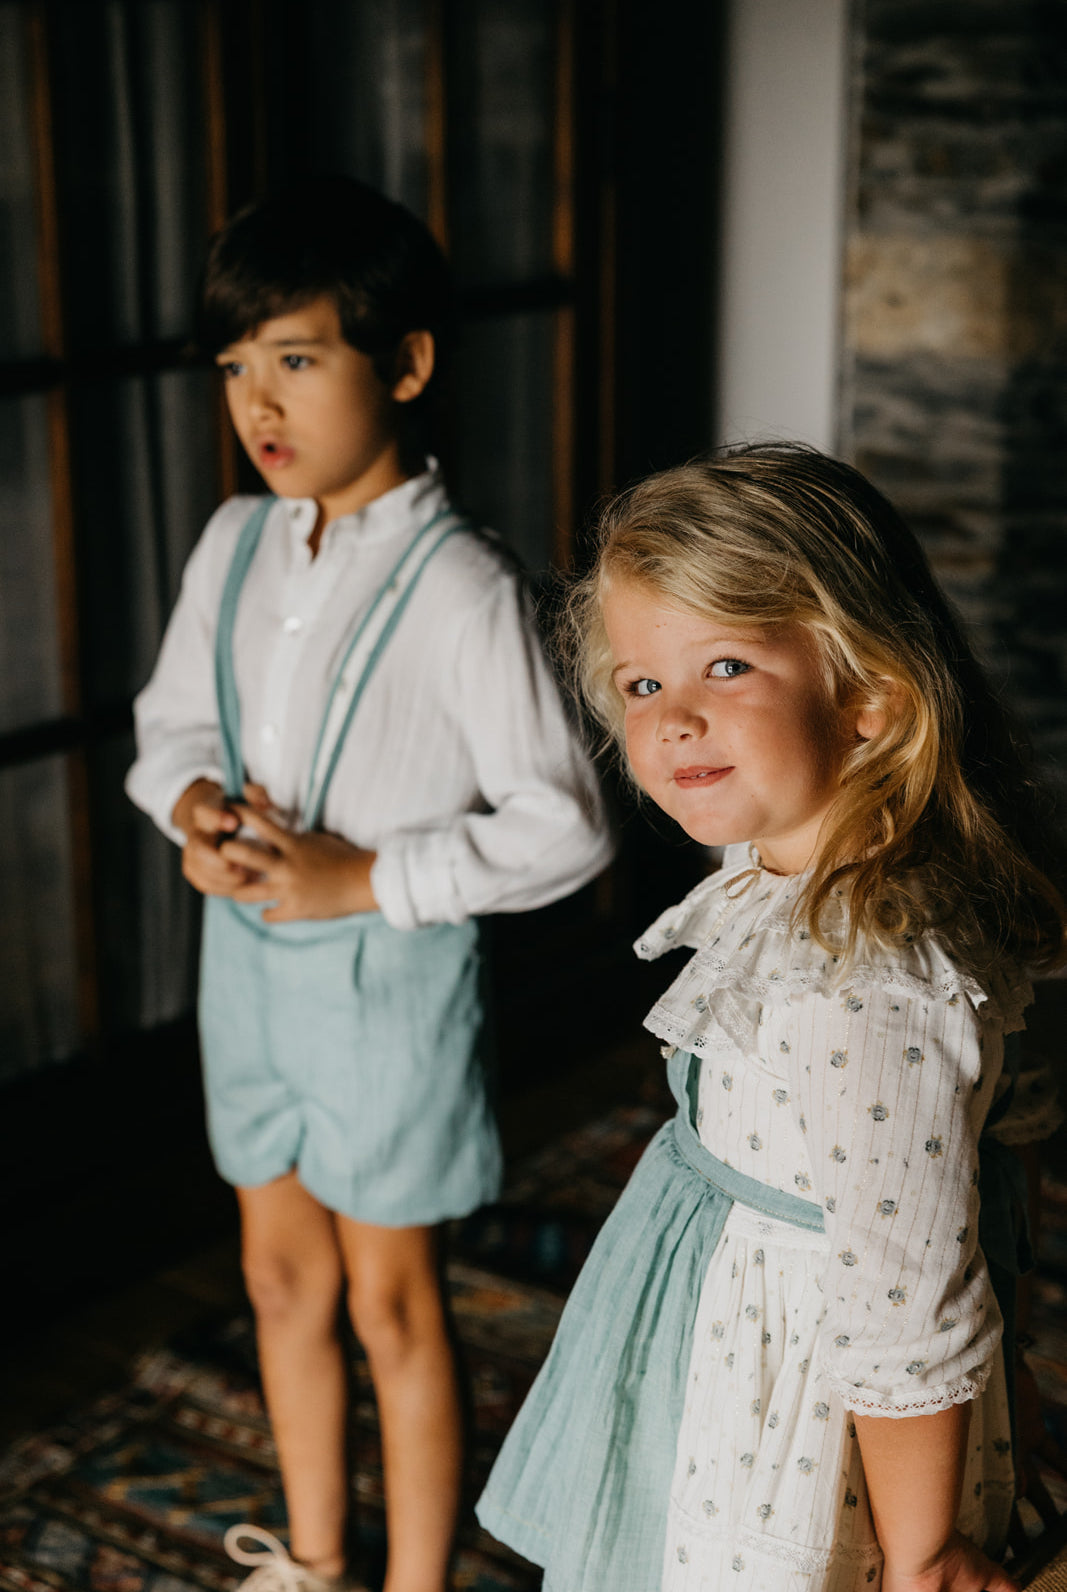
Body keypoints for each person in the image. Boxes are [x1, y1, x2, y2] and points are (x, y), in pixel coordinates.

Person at [125, 176, 612, 1592]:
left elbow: (567, 824)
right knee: (279, 1278)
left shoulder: (463, 586)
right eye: (235, 366)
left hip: (389, 990)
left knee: (393, 1303)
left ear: (403, 364)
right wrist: (193, 810)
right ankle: (315, 1561)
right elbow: (167, 728)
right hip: (246, 973)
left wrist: (372, 878)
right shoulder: (232, 544)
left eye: (295, 358)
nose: (257, 402)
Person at [476, 444, 1066, 1592]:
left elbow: (904, 1305)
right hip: (721, 1337)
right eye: (640, 684)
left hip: (792, 1410)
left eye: (725, 665)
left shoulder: (867, 979)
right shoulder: (785, 867)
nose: (672, 719)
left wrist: (921, 1550)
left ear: (868, 697)